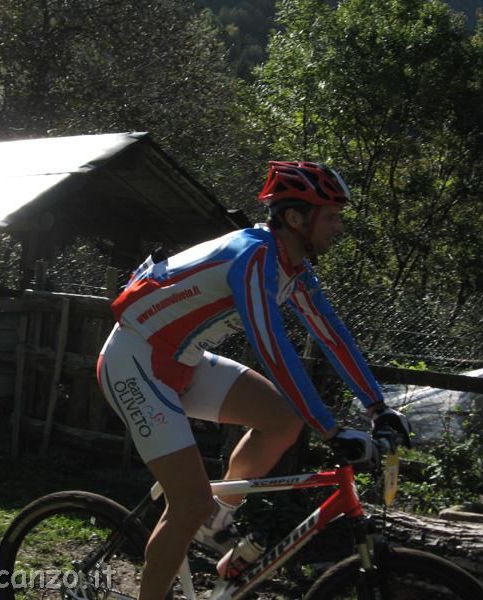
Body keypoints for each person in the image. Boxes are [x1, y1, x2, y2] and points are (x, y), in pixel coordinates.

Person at [96, 161, 411, 600]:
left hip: (181, 358)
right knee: (188, 504)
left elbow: (333, 336)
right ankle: (192, 529)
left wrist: (379, 408)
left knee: (282, 421)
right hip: (134, 360)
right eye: (332, 216)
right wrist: (332, 429)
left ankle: (216, 521)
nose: (340, 227)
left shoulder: (293, 267)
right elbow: (275, 351)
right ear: (296, 218)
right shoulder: (253, 256)